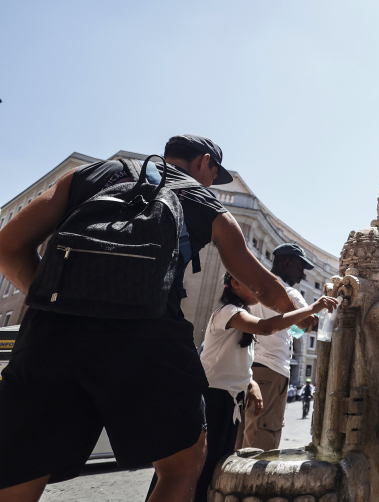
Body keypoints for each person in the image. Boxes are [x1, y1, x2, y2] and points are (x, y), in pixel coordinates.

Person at [0, 134, 308, 502]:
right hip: (147, 338)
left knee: (23, 463)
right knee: (183, 464)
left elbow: (8, 246)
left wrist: (63, 300)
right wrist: (303, 317)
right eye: (213, 173)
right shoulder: (205, 203)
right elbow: (265, 287)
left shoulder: (91, 174)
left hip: (51, 334)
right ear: (203, 162)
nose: (211, 182)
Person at [194, 272, 337, 502]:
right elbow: (266, 327)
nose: (260, 292)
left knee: (218, 467)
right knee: (201, 470)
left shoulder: (241, 317)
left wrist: (250, 383)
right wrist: (312, 309)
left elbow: (232, 359)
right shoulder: (228, 312)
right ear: (236, 283)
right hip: (212, 401)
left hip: (229, 402)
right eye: (254, 286)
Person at [238, 243, 314, 451]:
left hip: (247, 367)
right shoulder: (290, 293)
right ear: (286, 263)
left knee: (244, 432)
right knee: (264, 436)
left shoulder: (253, 288)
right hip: (272, 370)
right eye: (300, 269)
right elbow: (307, 325)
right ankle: (252, 484)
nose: (301, 276)